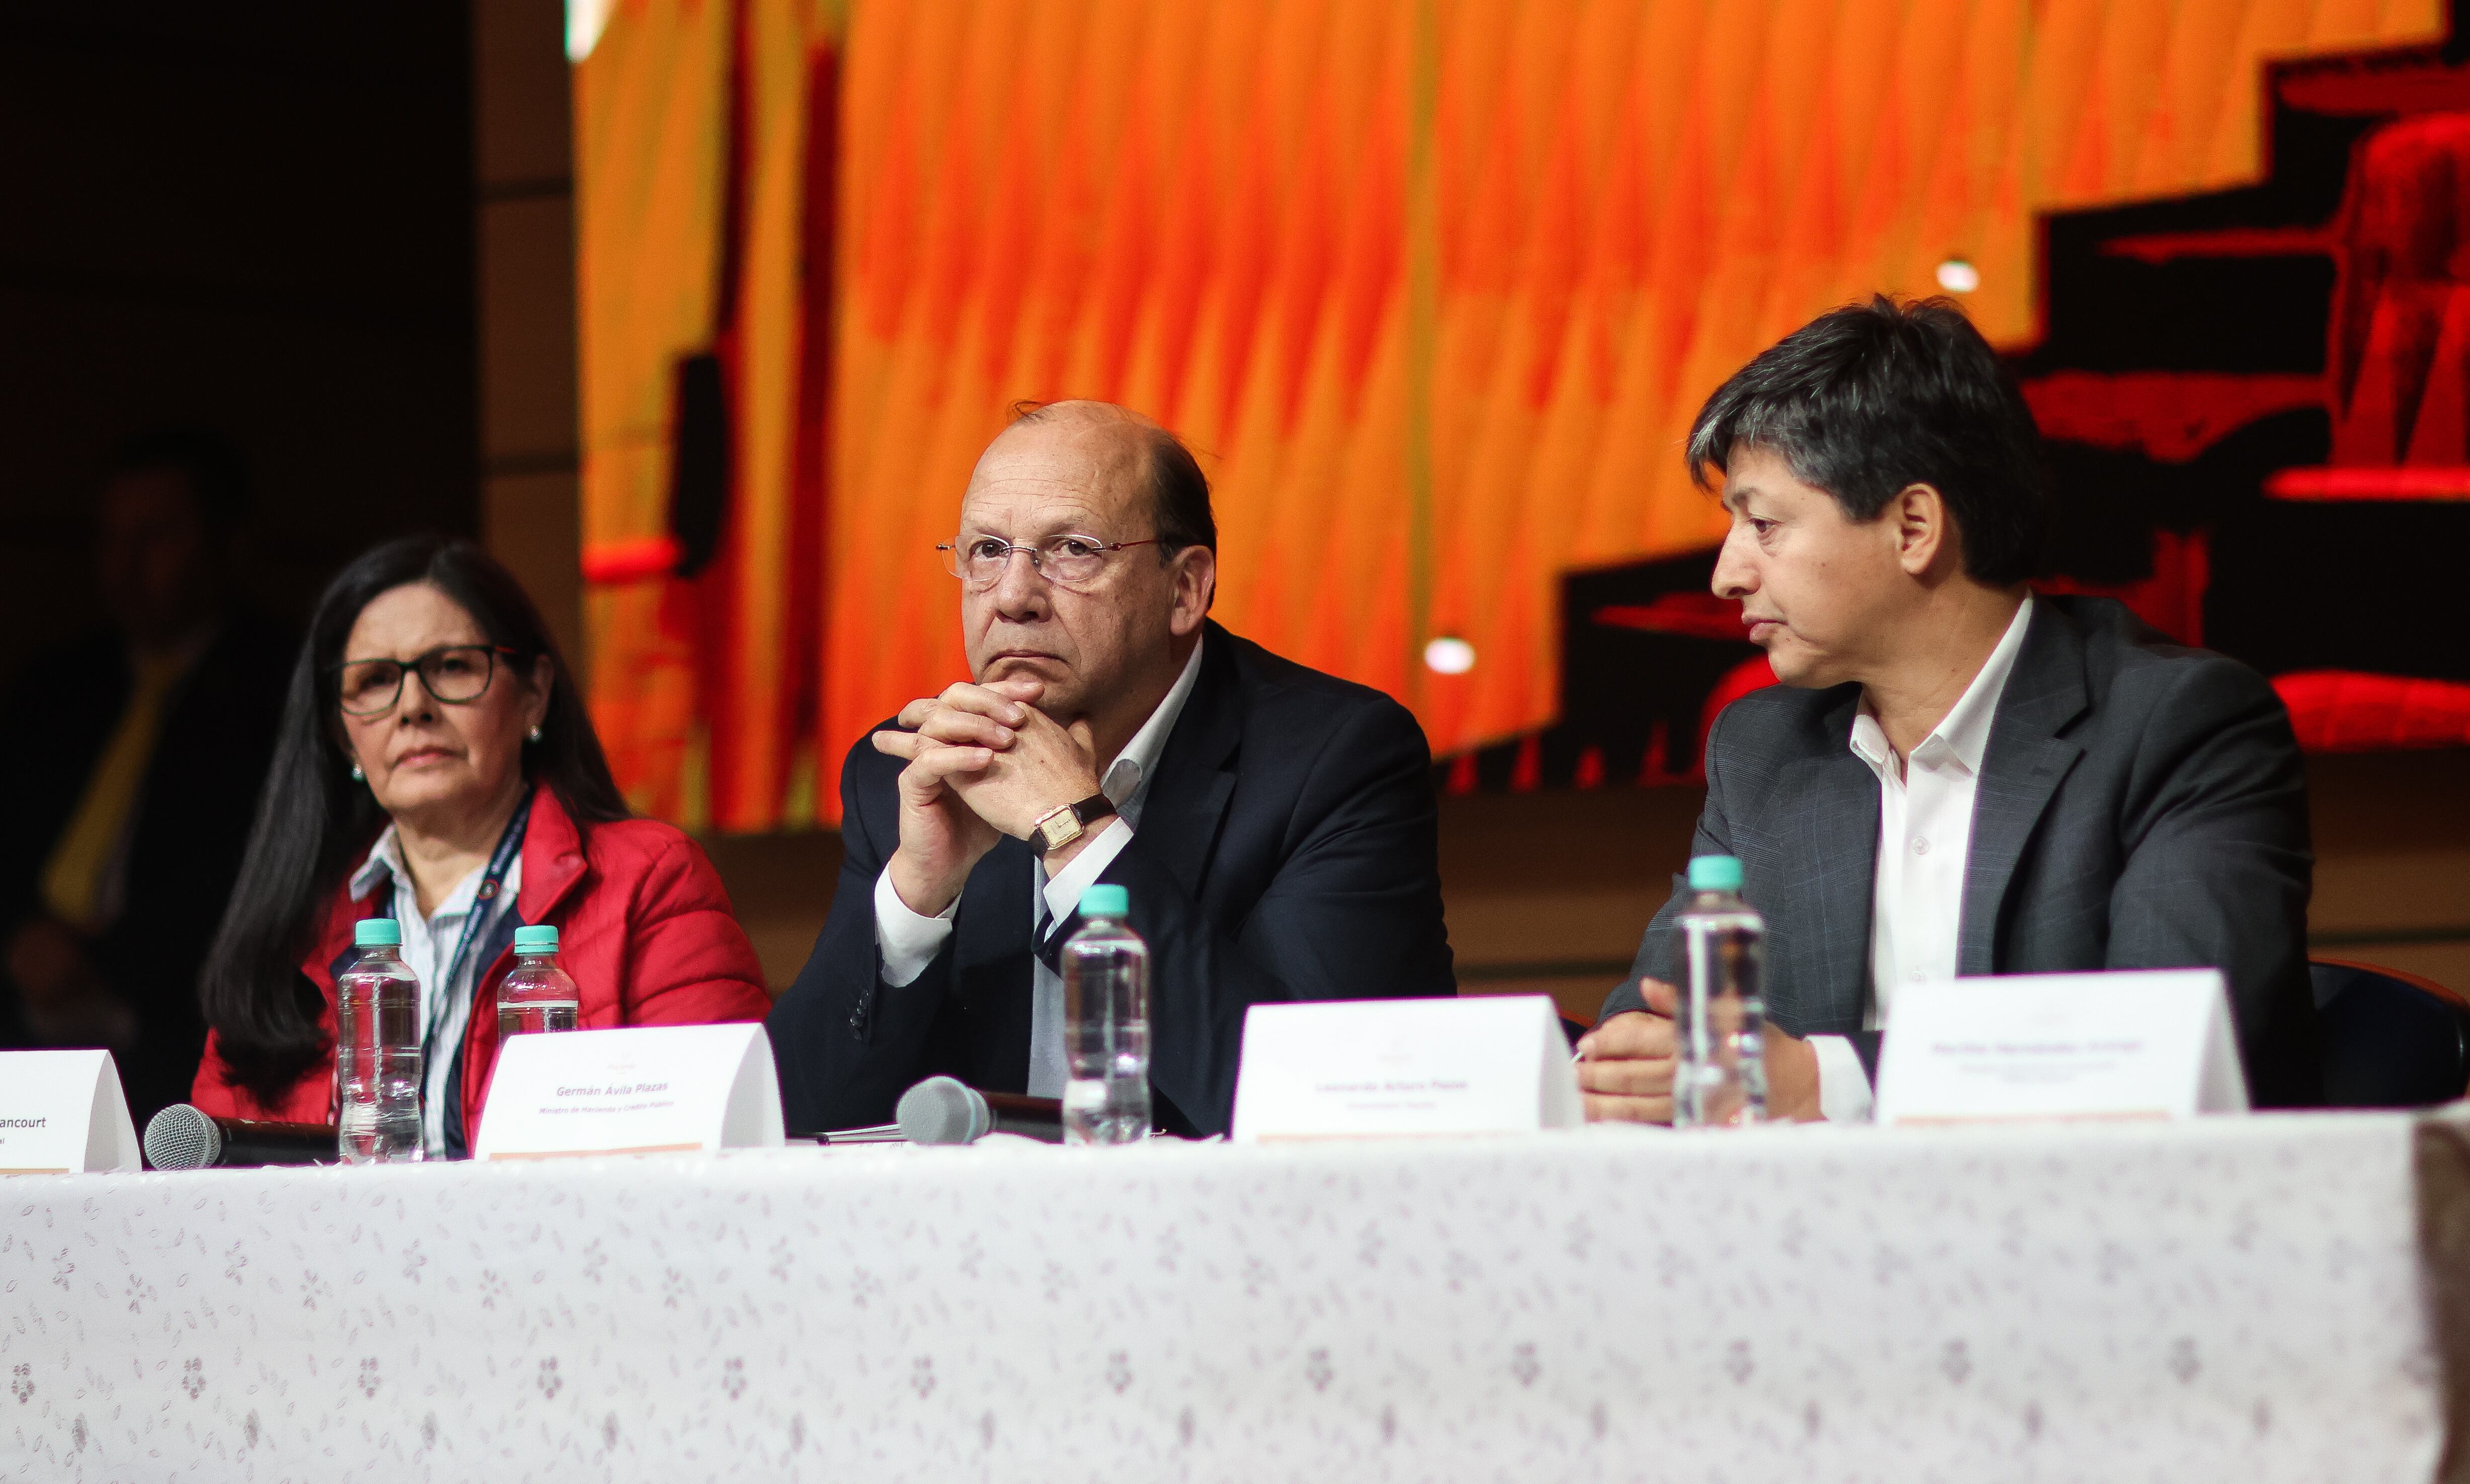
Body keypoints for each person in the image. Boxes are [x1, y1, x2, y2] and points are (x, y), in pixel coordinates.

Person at [1578, 296, 2320, 1122]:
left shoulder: (2176, 725)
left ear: (1912, 527)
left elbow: (2167, 1057)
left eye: (1762, 524)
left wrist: (1822, 1082)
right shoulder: (1763, 748)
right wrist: (1629, 1068)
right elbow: (1652, 1032)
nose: (1726, 576)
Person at [768, 400, 1454, 1136]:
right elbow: (790, 1125)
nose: (1013, 597)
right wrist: (915, 900)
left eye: (1072, 549)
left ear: (1184, 589)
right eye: (988, 551)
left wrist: (1077, 835)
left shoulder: (1333, 757)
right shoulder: (910, 773)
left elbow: (1327, 1104)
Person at [192, 536, 770, 1156]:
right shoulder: (289, 931)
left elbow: (717, 1149)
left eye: (452, 667)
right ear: (340, 733)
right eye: (375, 680)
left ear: (534, 695)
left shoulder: (649, 881)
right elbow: (212, 1206)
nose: (413, 706)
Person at [0, 430, 293, 1124]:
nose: (126, 567)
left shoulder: (279, 685)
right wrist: (18, 936)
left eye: (156, 537)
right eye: (111, 540)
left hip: (184, 1028)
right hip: (24, 1009)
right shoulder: (57, 686)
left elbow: (253, 864)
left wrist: (103, 962)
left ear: (232, 542)